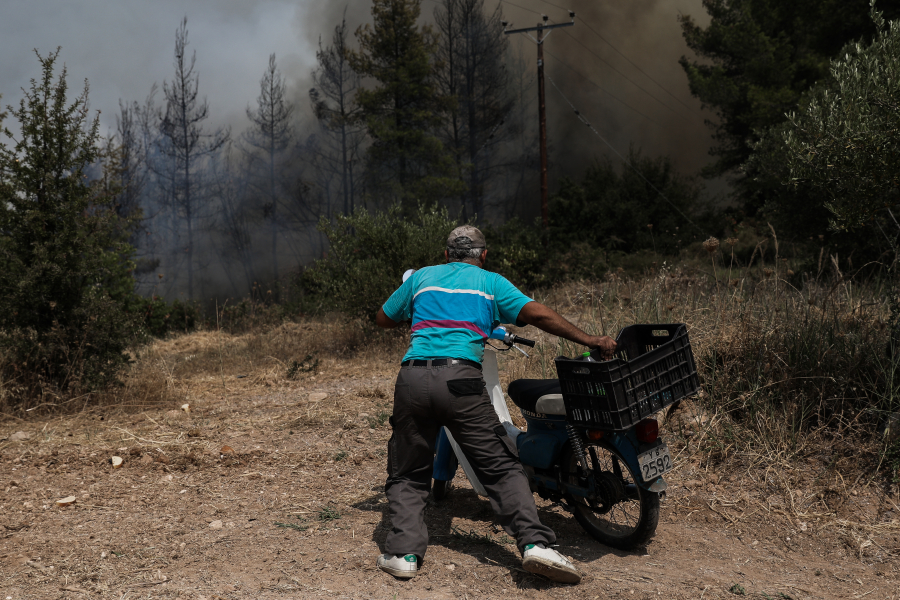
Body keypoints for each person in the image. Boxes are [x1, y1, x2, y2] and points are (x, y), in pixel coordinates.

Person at [374, 225, 616, 584]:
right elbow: (539, 315)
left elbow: (382, 318)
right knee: (501, 466)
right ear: (483, 256)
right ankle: (535, 545)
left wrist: (416, 310)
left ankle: (403, 555)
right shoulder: (490, 282)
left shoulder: (421, 278)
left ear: (445, 255)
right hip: (461, 382)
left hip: (411, 379)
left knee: (409, 471)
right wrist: (590, 338)